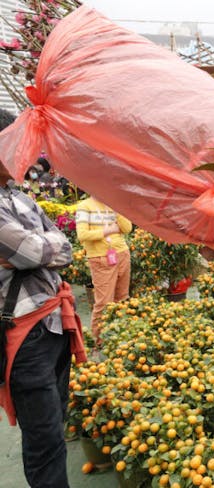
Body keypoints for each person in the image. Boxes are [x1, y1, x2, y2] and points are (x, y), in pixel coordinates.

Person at [0, 107, 85, 487]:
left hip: (51, 325)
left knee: (56, 423)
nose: (24, 154)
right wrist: (38, 250)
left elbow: (63, 246)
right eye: (15, 145)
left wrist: (35, 250)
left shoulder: (18, 198)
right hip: (22, 335)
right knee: (45, 439)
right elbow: (33, 253)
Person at [75, 196, 132, 343]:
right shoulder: (85, 206)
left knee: (122, 298)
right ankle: (99, 342)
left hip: (122, 254)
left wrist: (116, 208)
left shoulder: (114, 202)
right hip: (101, 258)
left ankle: (121, 336)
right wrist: (107, 231)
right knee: (103, 303)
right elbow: (82, 235)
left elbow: (127, 228)